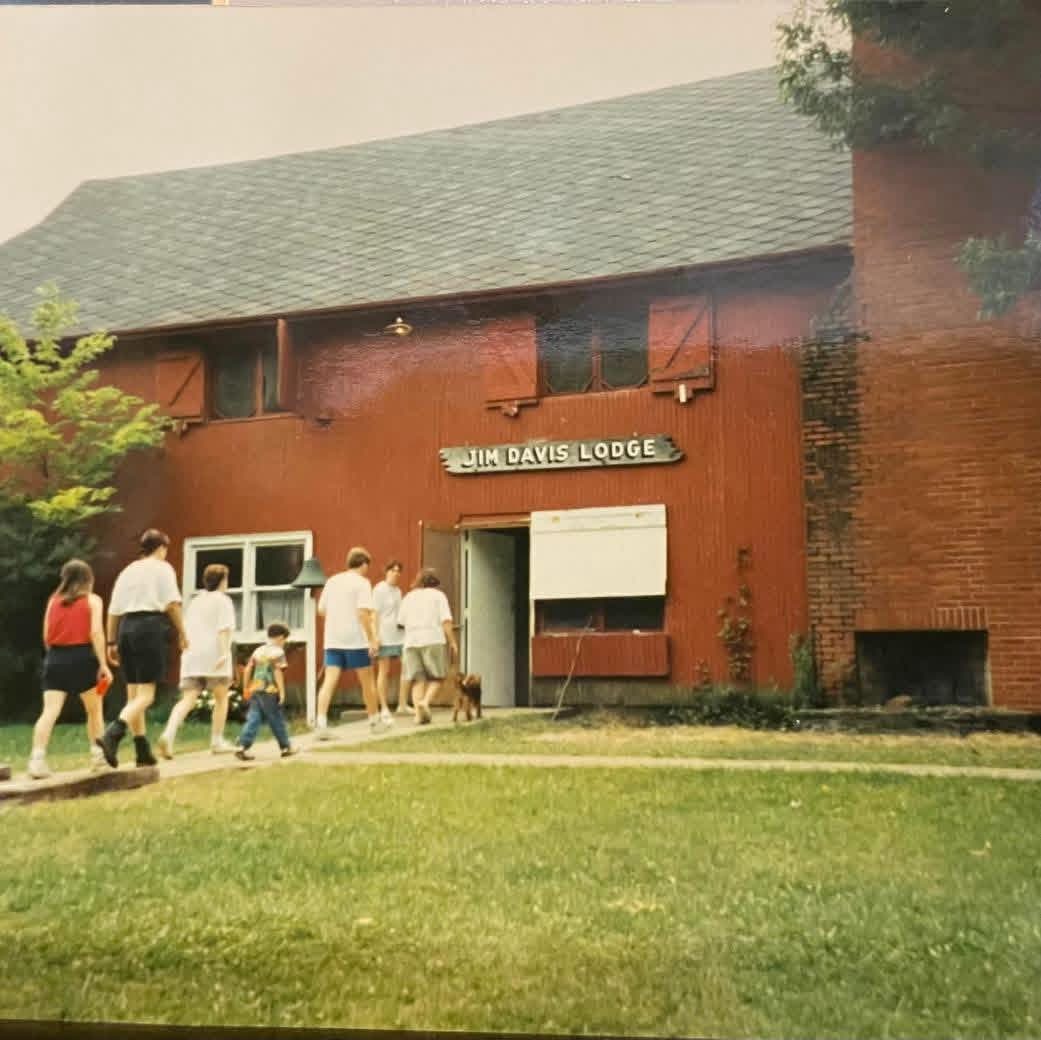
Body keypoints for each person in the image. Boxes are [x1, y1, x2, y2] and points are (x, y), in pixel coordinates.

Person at [97, 528, 188, 769]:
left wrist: (111, 642)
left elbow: (113, 610)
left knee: (133, 694)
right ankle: (113, 733)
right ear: (161, 548)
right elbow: (172, 604)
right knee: (147, 695)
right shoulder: (163, 569)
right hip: (150, 627)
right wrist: (183, 632)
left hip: (126, 627)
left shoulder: (128, 571)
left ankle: (142, 750)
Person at [27, 560, 114, 779]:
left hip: (55, 657)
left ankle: (37, 760)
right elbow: (96, 633)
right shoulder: (93, 600)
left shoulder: (53, 601)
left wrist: (55, 655)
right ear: (88, 578)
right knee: (94, 710)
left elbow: (46, 635)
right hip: (83, 657)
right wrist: (103, 664)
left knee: (49, 711)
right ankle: (98, 758)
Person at [156, 563, 237, 759]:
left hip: (192, 655)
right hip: (214, 654)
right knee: (221, 698)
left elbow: (186, 628)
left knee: (187, 699)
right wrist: (224, 653)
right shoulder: (223, 601)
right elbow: (223, 629)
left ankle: (168, 734)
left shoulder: (195, 601)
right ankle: (217, 741)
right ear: (222, 581)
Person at [315, 547, 382, 737]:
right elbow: (363, 613)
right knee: (367, 681)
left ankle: (321, 725)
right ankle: (374, 722)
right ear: (364, 564)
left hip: (333, 639)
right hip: (356, 640)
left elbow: (321, 610)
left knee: (329, 681)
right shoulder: (362, 583)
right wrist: (372, 639)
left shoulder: (332, 581)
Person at [397, 568, 458, 725]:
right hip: (433, 639)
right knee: (437, 677)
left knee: (418, 679)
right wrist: (452, 641)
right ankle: (425, 702)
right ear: (435, 582)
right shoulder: (439, 596)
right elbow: (446, 621)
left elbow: (401, 622)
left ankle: (419, 716)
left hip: (411, 641)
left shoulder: (408, 597)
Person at [235, 621, 296, 761]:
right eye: (285, 640)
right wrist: (282, 692)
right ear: (281, 637)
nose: (284, 643)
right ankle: (286, 747)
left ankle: (242, 745)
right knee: (276, 718)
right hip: (270, 690)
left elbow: (248, 669)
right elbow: (277, 671)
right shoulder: (278, 652)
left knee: (254, 718)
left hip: (256, 689)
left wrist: (246, 688)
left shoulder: (258, 650)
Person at [372, 559, 405, 721]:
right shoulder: (379, 589)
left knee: (407, 666)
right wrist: (375, 636)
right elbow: (375, 614)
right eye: (393, 570)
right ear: (386, 572)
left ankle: (402, 704)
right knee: (383, 671)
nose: (396, 573)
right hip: (384, 635)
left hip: (399, 635)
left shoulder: (398, 591)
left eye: (398, 571)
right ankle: (384, 707)